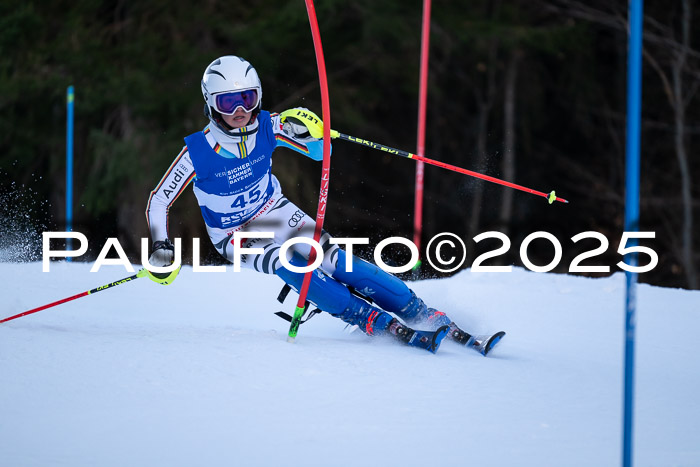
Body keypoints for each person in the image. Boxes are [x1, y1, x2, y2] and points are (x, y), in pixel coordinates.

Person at [145, 55, 504, 355]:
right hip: (235, 234)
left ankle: (419, 311)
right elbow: (159, 199)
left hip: (275, 212)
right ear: (211, 104)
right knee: (293, 265)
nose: (240, 110)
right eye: (228, 102)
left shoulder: (271, 125)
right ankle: (369, 319)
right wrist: (161, 245)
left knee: (335, 259)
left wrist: (315, 133)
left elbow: (320, 153)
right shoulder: (197, 151)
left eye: (248, 98)